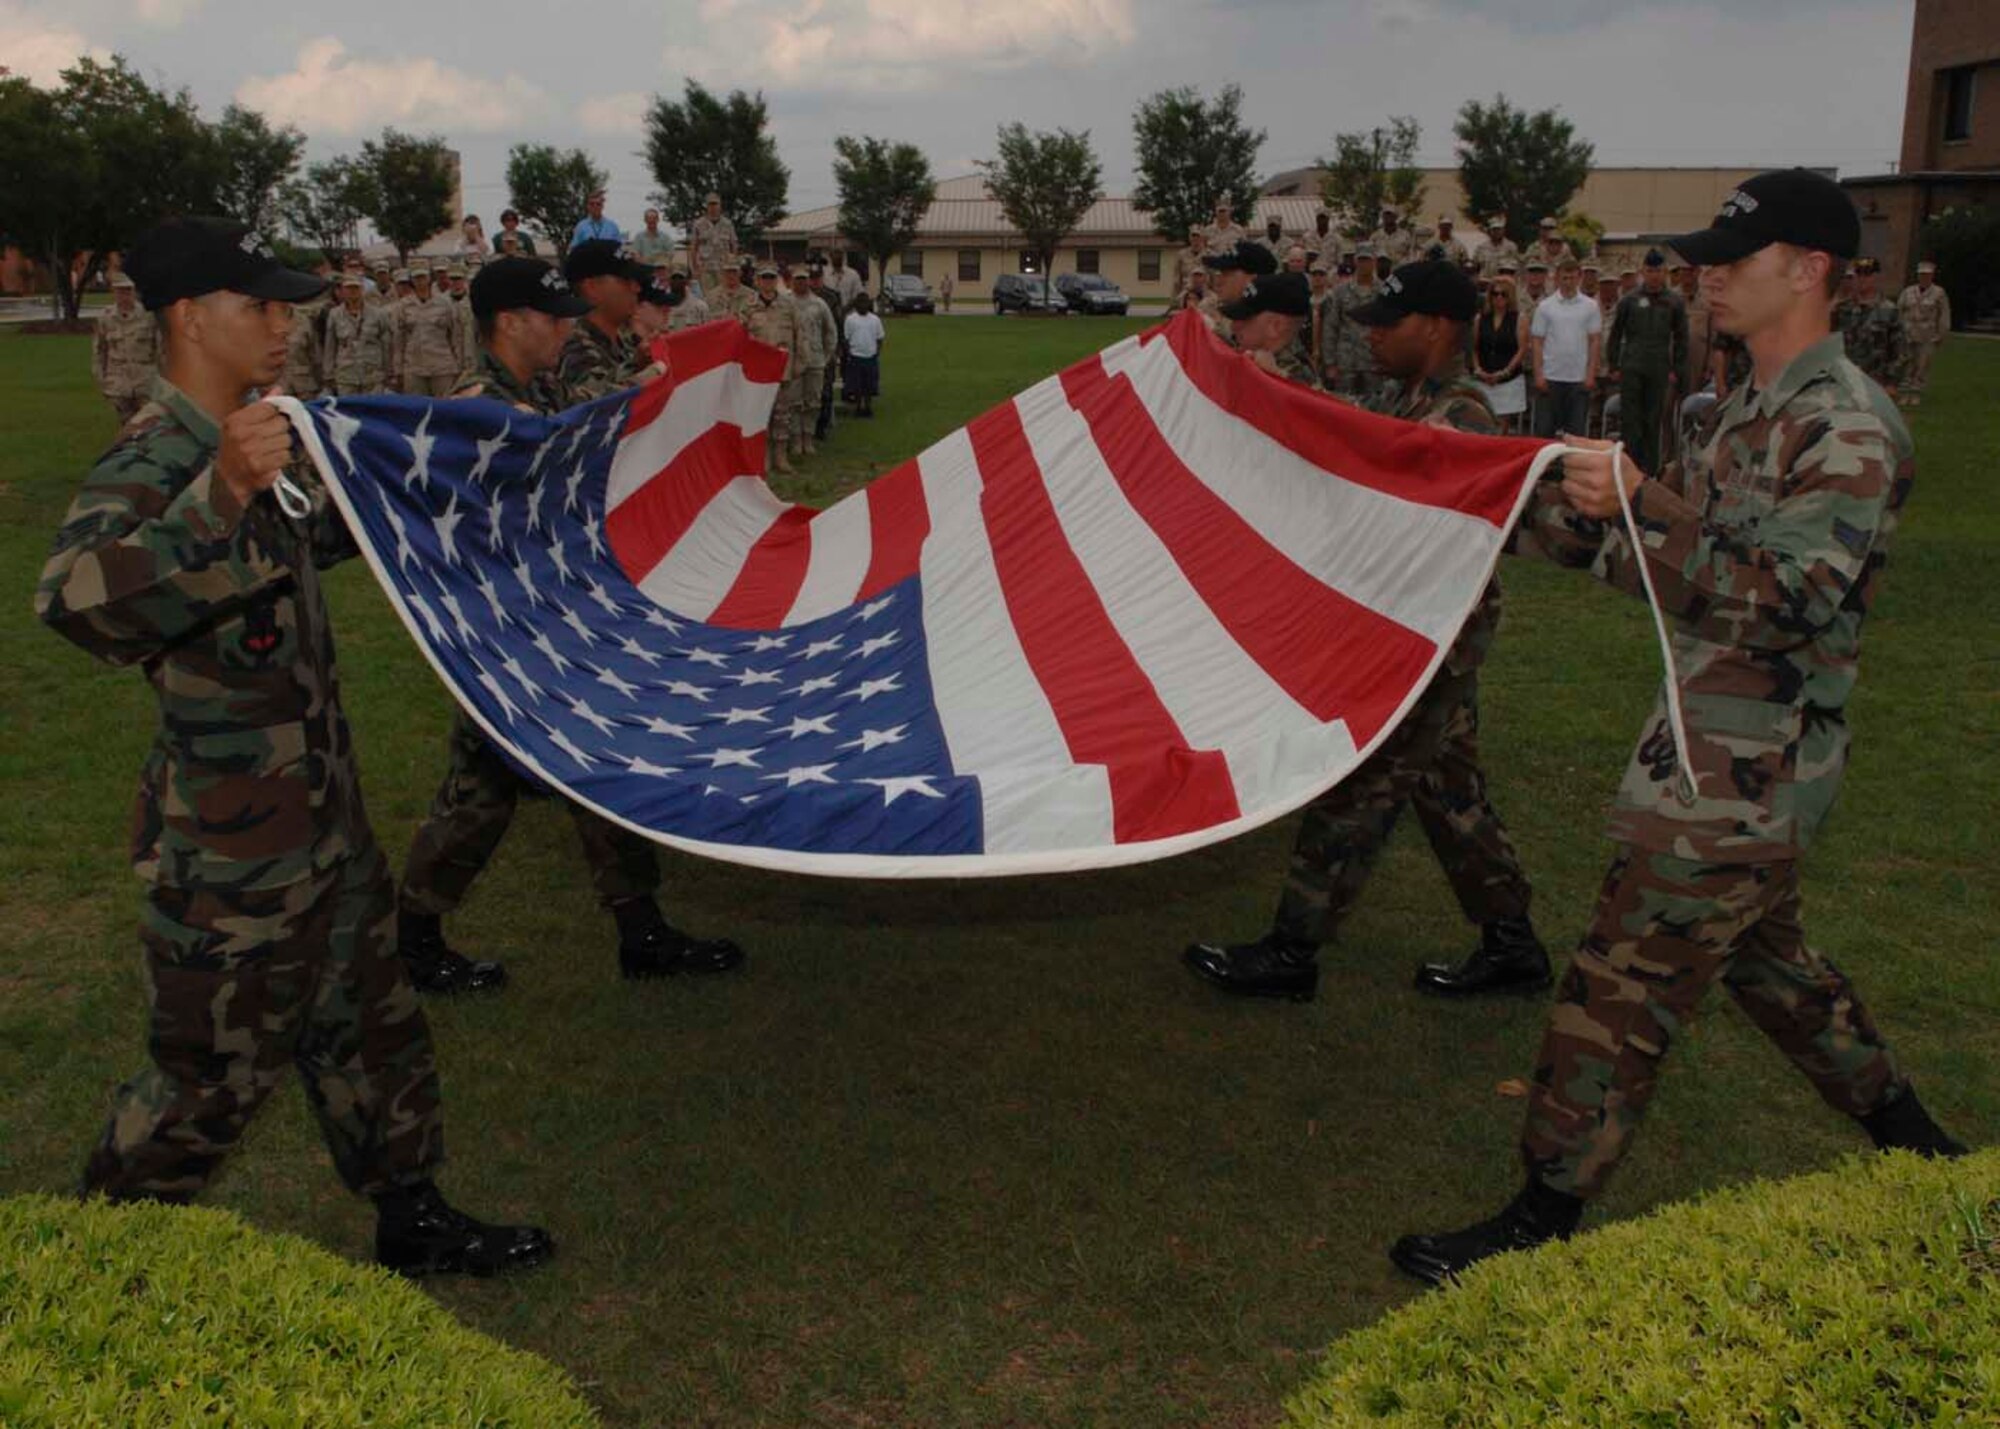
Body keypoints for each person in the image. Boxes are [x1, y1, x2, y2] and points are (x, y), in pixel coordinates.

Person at [1390, 168, 1966, 1288]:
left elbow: (1786, 601)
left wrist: (1643, 503)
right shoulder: (1746, 406)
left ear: (1809, 270)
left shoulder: (1844, 425)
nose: (1707, 277)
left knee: (1620, 982)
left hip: (1751, 770)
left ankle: (1539, 1217)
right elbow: (1682, 568)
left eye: (1732, 260)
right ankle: (1924, 1149)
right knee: (1773, 972)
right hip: (1716, 747)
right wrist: (1530, 508)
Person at [37, 217, 552, 1276]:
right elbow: (78, 604)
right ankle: (80, 1273)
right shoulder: (158, 455)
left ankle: (411, 1216)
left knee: (373, 1026)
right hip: (231, 851)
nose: (284, 326)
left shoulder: (252, 431)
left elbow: (322, 529)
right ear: (191, 317)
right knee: (205, 1079)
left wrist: (448, 446)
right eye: (261, 306)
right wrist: (219, 493)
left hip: (322, 816)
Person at [1185, 261, 1548, 1004]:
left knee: (1355, 790)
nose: (1373, 335)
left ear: (1438, 327)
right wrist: (1268, 384)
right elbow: (1348, 429)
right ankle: (1514, 945)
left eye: (1390, 323)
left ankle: (1292, 953)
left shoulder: (1464, 415)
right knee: (1451, 796)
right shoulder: (1404, 397)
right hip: (1421, 628)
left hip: (1428, 637)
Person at [397, 255, 744, 996]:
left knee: (599, 768)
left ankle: (640, 930)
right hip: (502, 638)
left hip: (556, 621)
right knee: (478, 799)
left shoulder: (539, 390)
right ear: (510, 322)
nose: (564, 329)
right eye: (551, 318)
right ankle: (413, 939)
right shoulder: (477, 404)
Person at [1604, 249, 1689, 478]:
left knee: (1653, 420)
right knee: (1631, 421)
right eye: (1650, 271)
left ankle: (1650, 472)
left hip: (1658, 367)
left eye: (1658, 271)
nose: (1654, 275)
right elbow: (1616, 334)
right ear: (1643, 272)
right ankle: (1629, 469)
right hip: (1632, 366)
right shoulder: (1629, 300)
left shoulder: (1674, 302)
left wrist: (1678, 369)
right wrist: (1614, 365)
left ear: (1665, 273)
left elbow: (1681, 338)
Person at [554, 240, 655, 403]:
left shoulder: (628, 341)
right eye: (626, 280)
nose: (637, 288)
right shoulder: (575, 349)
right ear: (591, 288)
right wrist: (642, 368)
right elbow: (599, 406)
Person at [1529, 256, 1602, 439]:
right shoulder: (1545, 307)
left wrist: (1590, 374)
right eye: (1564, 278)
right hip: (1551, 377)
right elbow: (1537, 342)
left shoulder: (1591, 306)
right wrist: (1539, 375)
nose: (1568, 282)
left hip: (1578, 379)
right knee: (1544, 433)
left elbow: (1594, 341)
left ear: (1579, 278)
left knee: (1575, 435)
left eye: (1572, 278)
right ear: (1557, 279)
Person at [744, 264, 804, 475]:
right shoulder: (748, 307)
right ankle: (765, 456)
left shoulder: (788, 305)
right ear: (758, 281)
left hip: (783, 370)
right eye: (764, 278)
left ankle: (781, 456)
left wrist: (799, 364)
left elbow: (800, 334)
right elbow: (739, 337)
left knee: (782, 414)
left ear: (776, 280)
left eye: (771, 278)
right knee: (761, 414)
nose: (768, 282)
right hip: (758, 371)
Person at [92, 273, 160, 423]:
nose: (124, 295)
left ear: (134, 291)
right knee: (126, 426)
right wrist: (102, 380)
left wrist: (162, 378)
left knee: (148, 425)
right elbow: (100, 351)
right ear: (113, 292)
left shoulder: (149, 316)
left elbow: (160, 350)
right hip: (118, 383)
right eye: (120, 290)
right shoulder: (105, 318)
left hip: (145, 381)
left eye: (128, 290)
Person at [1835, 257, 1904, 399]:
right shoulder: (1842, 309)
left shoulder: (1889, 311)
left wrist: (1891, 382)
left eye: (1867, 275)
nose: (1862, 279)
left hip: (1875, 382)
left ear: (1876, 277)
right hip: (1843, 380)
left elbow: (1899, 351)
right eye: (1859, 274)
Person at [1325, 247, 1385, 403]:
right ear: (1355, 262)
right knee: (1342, 406)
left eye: (1368, 260)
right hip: (1346, 363)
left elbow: (1390, 328)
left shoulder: (1384, 291)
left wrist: (1388, 362)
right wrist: (1330, 363)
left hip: (1374, 363)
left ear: (1374, 262)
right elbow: (1331, 327)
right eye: (1361, 260)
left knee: (1375, 406)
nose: (1364, 264)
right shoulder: (1340, 291)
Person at [394, 267, 464, 399]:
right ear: (412, 281)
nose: (420, 281)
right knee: (416, 407)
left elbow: (456, 336)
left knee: (444, 407)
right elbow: (399, 340)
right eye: (417, 278)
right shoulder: (403, 306)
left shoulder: (445, 304)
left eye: (423, 277)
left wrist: (459, 365)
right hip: (414, 367)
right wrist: (398, 369)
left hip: (442, 366)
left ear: (429, 279)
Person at [790, 268, 838, 459]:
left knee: (813, 401)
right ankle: (796, 439)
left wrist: (826, 357)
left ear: (809, 281)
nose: (800, 283)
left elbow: (830, 332)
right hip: (794, 361)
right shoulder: (785, 302)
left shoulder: (819, 304)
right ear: (792, 281)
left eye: (803, 279)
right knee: (794, 402)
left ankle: (808, 438)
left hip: (815, 360)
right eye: (797, 279)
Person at [323, 274, 395, 396]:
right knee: (348, 408)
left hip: (373, 376)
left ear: (362, 289)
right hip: (346, 376)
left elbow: (386, 345)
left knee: (373, 407)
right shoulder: (334, 314)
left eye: (356, 288)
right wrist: (328, 374)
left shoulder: (378, 314)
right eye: (349, 288)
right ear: (343, 290)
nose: (352, 291)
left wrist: (389, 372)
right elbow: (330, 346)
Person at [1471, 276, 1526, 431]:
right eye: (1495, 294)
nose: (1499, 298)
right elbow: (1474, 347)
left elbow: (1521, 349)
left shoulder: (1519, 319)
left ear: (1510, 297)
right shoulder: (1480, 318)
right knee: (1481, 423)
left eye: (1504, 294)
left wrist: (1505, 372)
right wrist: (1478, 369)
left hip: (1508, 380)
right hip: (1483, 378)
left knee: (1502, 427)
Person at [1896, 260, 1949, 407]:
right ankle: (1904, 392)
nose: (1924, 277)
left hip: (1927, 334)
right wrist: (1898, 330)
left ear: (1932, 276)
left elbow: (1944, 314)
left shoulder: (1939, 293)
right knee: (1906, 363)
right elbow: (1899, 310)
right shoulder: (1908, 291)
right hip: (1908, 332)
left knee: (1922, 365)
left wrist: (1941, 333)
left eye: (1927, 275)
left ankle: (1916, 393)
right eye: (1922, 275)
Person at [842, 293, 885, 417]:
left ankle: (868, 407)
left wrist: (877, 352)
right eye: (860, 303)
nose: (863, 306)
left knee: (869, 384)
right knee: (857, 385)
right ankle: (858, 407)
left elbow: (880, 338)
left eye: (865, 303)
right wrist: (849, 352)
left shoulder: (875, 319)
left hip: (870, 356)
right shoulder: (850, 319)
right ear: (856, 305)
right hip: (855, 356)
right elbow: (846, 338)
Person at [690, 193, 738, 299]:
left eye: (715, 204)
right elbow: (694, 247)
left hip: (723, 267)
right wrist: (694, 268)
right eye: (710, 204)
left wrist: (733, 265)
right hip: (705, 268)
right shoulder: (698, 224)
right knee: (708, 296)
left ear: (720, 205)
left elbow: (733, 245)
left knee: (724, 295)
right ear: (706, 206)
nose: (713, 207)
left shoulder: (728, 224)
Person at [664, 267, 711, 332]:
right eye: (674, 278)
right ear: (669, 281)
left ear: (687, 281)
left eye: (680, 278)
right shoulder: (660, 308)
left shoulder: (700, 306)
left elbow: (708, 332)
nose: (677, 281)